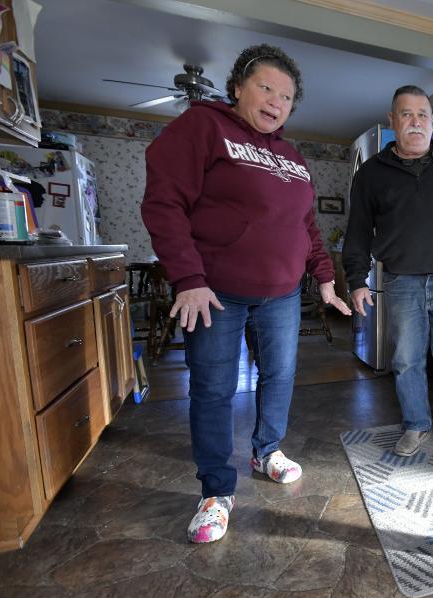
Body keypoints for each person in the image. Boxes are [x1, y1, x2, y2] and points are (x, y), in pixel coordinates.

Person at [141, 43, 351, 544]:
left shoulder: (294, 158)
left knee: (279, 376)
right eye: (265, 87)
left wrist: (323, 276)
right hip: (216, 293)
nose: (276, 100)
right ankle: (216, 490)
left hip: (280, 294)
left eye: (286, 95)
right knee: (213, 389)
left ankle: (267, 450)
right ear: (237, 87)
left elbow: (306, 226)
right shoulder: (203, 127)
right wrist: (188, 278)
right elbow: (164, 203)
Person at [343, 85, 433, 457]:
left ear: (432, 121)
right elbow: (358, 230)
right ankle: (415, 424)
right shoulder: (372, 174)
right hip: (401, 280)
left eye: (422, 114)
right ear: (393, 121)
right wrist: (356, 280)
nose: (415, 122)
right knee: (407, 358)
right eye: (406, 114)